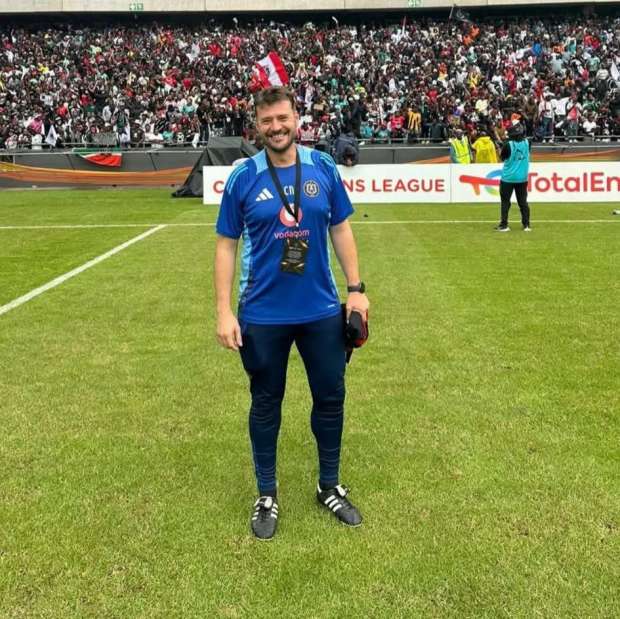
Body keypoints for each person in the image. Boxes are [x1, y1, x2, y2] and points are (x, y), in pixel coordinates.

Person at [214, 86, 369, 540]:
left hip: (320, 309)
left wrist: (355, 291)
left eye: (283, 118)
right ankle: (266, 493)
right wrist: (224, 311)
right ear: (257, 126)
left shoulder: (323, 166)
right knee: (266, 403)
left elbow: (341, 228)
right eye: (267, 121)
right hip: (262, 314)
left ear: (296, 119)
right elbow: (226, 245)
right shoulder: (243, 177)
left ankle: (329, 485)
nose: (276, 127)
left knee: (331, 397)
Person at [496, 121, 531, 232]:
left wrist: (500, 147)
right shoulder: (527, 143)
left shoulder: (508, 145)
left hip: (508, 178)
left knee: (505, 202)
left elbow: (502, 158)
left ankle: (504, 225)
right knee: (523, 202)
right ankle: (526, 225)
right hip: (522, 178)